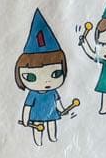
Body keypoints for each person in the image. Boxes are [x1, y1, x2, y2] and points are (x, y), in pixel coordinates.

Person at [15, 9, 72, 146]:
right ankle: (38, 143)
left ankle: (53, 138)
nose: (46, 81)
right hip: (37, 116)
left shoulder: (53, 92)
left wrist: (62, 109)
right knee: (38, 128)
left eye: (56, 74)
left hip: (51, 113)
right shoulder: (33, 94)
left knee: (52, 125)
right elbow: (27, 107)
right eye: (31, 77)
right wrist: (25, 119)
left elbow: (58, 102)